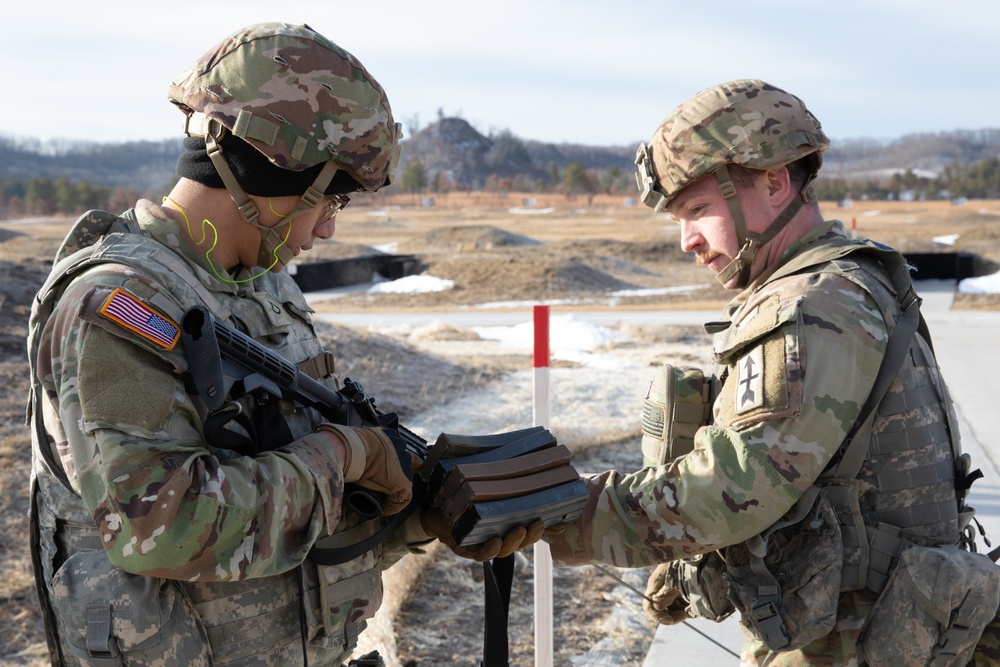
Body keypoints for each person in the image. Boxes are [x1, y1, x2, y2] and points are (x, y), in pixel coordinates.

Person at [26, 22, 539, 667]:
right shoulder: (120, 306)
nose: (326, 229)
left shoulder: (266, 292)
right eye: (329, 200)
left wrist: (418, 517)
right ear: (272, 172)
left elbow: (293, 505)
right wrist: (345, 454)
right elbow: (160, 527)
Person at [544, 79, 1000, 666]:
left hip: (845, 643)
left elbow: (733, 487)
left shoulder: (813, 305)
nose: (688, 240)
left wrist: (565, 514)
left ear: (774, 181)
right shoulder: (856, 279)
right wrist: (686, 573)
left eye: (699, 210)